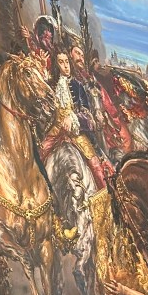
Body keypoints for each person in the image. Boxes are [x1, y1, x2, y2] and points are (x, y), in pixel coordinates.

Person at [41, 48, 109, 189]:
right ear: (56, 65)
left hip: (76, 134)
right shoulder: (50, 85)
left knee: (96, 166)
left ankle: (105, 196)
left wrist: (72, 118)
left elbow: (88, 116)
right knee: (38, 158)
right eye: (61, 62)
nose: (66, 66)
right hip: (55, 133)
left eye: (67, 62)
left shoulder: (78, 86)